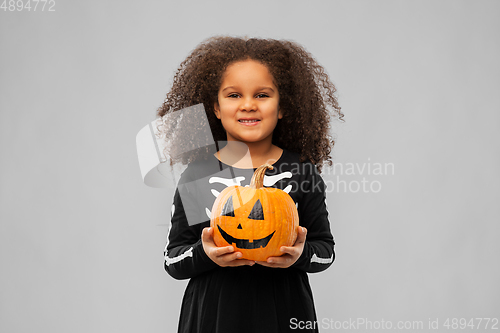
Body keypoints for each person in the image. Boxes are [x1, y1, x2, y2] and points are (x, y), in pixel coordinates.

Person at [157, 35, 343, 333]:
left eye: (262, 95)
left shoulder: (302, 172)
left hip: (283, 312)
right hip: (211, 317)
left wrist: (301, 254)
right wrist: (204, 254)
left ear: (283, 107)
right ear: (214, 107)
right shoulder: (196, 175)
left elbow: (326, 251)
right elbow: (172, 259)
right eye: (233, 95)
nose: (248, 105)